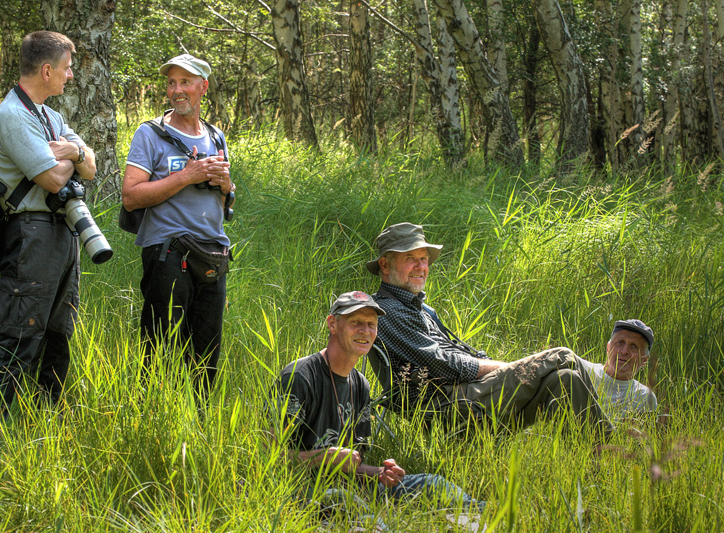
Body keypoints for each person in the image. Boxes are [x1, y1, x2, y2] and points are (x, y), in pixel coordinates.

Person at [367, 222, 613, 435]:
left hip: (466, 392)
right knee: (562, 355)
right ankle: (614, 433)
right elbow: (441, 364)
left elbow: (450, 357)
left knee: (565, 379)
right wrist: (508, 369)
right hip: (446, 403)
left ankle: (598, 452)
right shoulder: (385, 311)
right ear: (385, 266)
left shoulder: (420, 308)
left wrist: (508, 370)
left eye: (424, 259)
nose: (421, 267)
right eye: (410, 259)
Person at [271, 291, 483, 531]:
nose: (365, 331)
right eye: (356, 323)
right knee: (344, 499)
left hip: (351, 486)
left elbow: (352, 465)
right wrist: (323, 456)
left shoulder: (360, 384)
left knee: (432, 483)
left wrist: (380, 473)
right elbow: (272, 458)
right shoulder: (299, 376)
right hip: (307, 492)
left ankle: (482, 522)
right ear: (332, 324)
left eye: (372, 324)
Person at [0, 31, 97, 414]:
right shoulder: (12, 116)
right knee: (19, 331)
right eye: (66, 68)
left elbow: (91, 168)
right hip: (30, 234)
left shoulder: (51, 116)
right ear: (46, 70)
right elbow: (53, 179)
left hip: (62, 234)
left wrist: (72, 150)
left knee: (58, 332)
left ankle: (44, 419)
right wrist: (73, 156)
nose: (71, 75)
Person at [122, 54, 233, 397]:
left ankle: (199, 422)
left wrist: (227, 185)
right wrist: (186, 176)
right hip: (168, 252)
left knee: (206, 353)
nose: (177, 90)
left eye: (185, 82)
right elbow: (131, 196)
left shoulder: (216, 137)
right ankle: (151, 416)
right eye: (171, 83)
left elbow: (228, 203)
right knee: (158, 348)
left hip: (213, 254)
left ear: (204, 87)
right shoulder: (150, 134)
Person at [578, 319, 658, 417]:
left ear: (644, 360)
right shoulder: (583, 370)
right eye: (620, 342)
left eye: (634, 346)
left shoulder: (644, 397)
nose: (625, 351)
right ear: (608, 348)